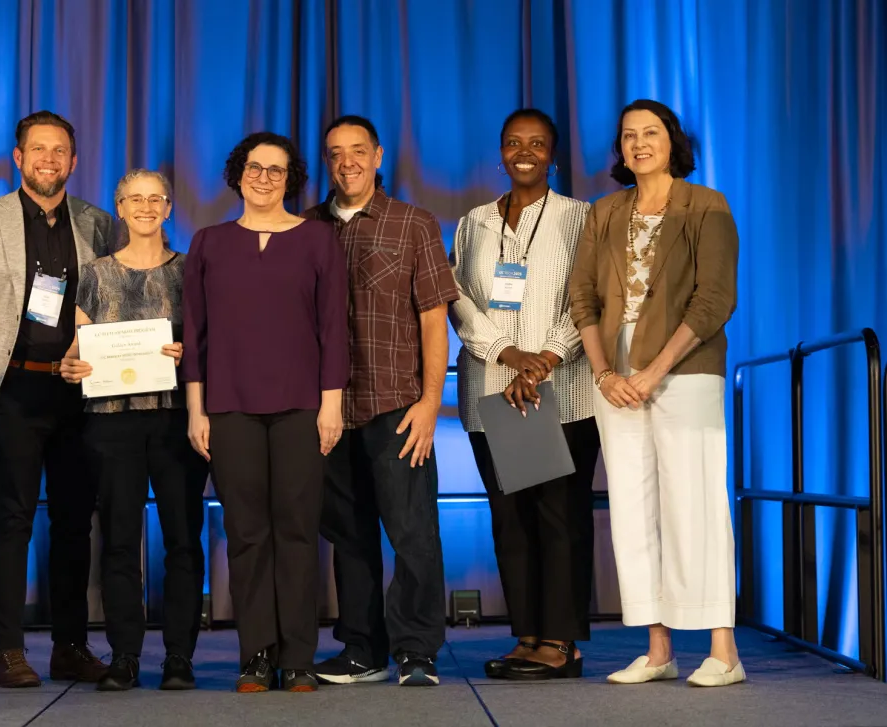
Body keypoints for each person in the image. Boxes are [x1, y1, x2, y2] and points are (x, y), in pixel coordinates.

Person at [568, 99, 743, 687]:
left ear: (673, 141)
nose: (639, 143)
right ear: (619, 150)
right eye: (628, 136)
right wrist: (606, 374)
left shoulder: (707, 205)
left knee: (694, 503)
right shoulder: (605, 212)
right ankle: (658, 647)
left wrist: (653, 371)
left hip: (686, 374)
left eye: (651, 133)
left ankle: (724, 649)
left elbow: (714, 299)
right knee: (633, 512)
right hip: (615, 382)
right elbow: (583, 299)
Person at [0, 111, 113, 687]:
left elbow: (117, 302)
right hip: (16, 391)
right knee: (12, 519)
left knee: (73, 524)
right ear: (18, 158)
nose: (49, 160)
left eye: (60, 151)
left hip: (80, 392)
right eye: (38, 150)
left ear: (74, 160)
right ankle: (9, 651)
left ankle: (70, 647)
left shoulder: (97, 223)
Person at [181, 132, 348, 693]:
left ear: (290, 179)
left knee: (298, 532)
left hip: (304, 406)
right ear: (237, 173)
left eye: (276, 170)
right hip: (228, 408)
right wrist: (195, 411)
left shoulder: (320, 240)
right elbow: (194, 334)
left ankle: (298, 657)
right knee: (247, 534)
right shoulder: (207, 243)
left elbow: (333, 328)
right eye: (255, 167)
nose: (264, 178)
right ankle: (255, 654)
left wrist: (332, 405)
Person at [304, 116, 459, 687]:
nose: (347, 161)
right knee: (348, 534)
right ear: (328, 161)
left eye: (358, 151)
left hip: (396, 404)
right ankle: (362, 649)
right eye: (336, 152)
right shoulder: (307, 228)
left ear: (377, 156)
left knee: (413, 531)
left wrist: (430, 400)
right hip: (327, 409)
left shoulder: (413, 224)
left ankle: (416, 649)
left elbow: (434, 318)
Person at [448, 109, 599, 681]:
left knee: (557, 516)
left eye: (537, 143)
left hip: (559, 393)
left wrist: (544, 360)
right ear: (501, 153)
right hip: (493, 391)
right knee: (510, 520)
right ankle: (528, 636)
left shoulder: (580, 218)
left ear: (553, 155)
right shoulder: (473, 223)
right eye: (514, 143)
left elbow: (588, 299)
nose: (525, 151)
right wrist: (508, 356)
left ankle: (561, 642)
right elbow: (456, 298)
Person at [58, 169, 208, 692]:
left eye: (155, 198)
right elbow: (76, 351)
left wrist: (191, 353)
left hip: (175, 419)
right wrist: (70, 367)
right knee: (119, 541)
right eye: (134, 199)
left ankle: (179, 657)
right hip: (111, 423)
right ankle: (124, 655)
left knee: (184, 540)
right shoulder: (94, 274)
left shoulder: (192, 271)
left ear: (168, 208)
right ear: (118, 208)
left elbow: (212, 345)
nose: (145, 207)